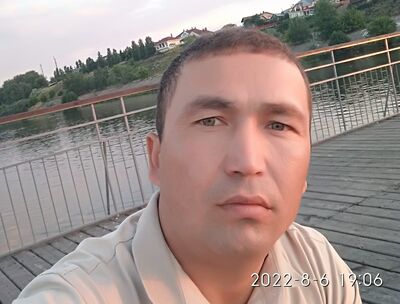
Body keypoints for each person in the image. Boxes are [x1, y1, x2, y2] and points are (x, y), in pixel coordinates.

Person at [15, 28, 362, 303]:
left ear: (305, 169)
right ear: (156, 158)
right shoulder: (79, 294)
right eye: (210, 121)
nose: (247, 162)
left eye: (279, 125)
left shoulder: (320, 268)